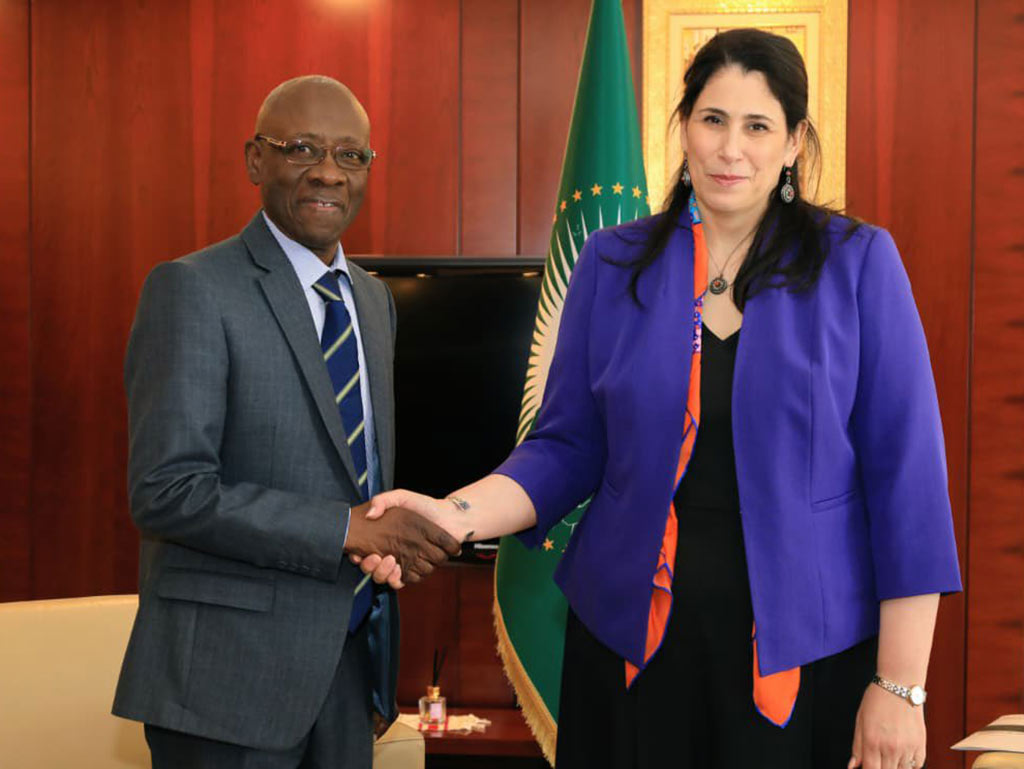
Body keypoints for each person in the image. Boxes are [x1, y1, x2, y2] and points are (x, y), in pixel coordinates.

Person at [359, 29, 961, 769]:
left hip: (805, 656)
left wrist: (900, 687)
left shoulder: (857, 263)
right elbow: (565, 447)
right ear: (683, 127)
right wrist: (452, 514)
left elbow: (908, 485)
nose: (730, 149)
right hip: (630, 652)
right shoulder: (613, 263)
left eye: (757, 126)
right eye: (713, 120)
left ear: (794, 143)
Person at [112, 75, 461, 768]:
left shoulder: (373, 302)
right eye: (302, 148)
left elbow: (355, 473)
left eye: (350, 155)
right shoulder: (192, 288)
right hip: (225, 686)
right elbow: (167, 490)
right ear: (255, 160)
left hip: (350, 670)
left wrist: (390, 535)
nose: (328, 172)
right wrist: (347, 529)